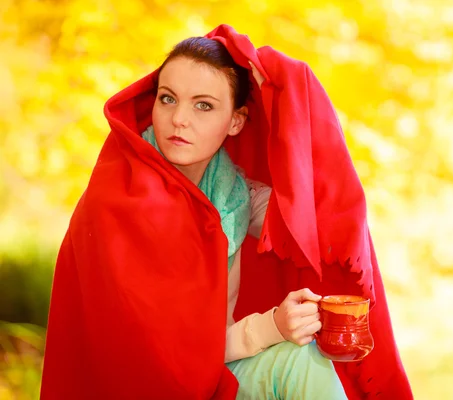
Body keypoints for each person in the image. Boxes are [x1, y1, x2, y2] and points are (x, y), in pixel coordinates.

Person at [41, 25, 413, 400]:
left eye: (203, 105)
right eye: (168, 99)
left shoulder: (227, 192)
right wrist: (271, 327)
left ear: (236, 121)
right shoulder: (122, 200)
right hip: (138, 389)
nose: (179, 119)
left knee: (301, 361)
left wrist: (286, 86)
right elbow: (160, 357)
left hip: (209, 373)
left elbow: (312, 215)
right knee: (291, 357)